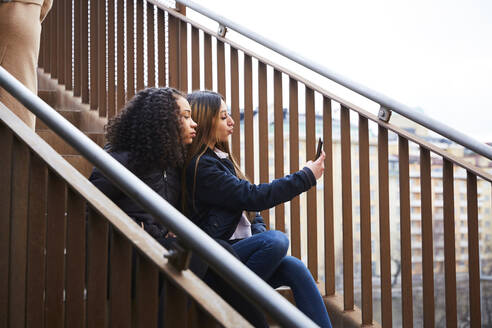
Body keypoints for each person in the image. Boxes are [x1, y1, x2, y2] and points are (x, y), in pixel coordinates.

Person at [89, 87, 268, 328]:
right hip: (124, 254)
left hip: (158, 250)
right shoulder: (122, 157)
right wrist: (140, 228)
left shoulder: (172, 163)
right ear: (161, 119)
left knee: (220, 252)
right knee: (201, 250)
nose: (193, 123)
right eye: (185, 116)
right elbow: (91, 205)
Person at [185, 90, 332, 328]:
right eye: (223, 117)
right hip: (218, 260)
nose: (231, 121)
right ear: (205, 121)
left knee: (293, 265)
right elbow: (252, 197)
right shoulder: (201, 166)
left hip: (239, 256)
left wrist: (260, 230)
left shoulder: (221, 160)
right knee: (275, 241)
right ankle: (232, 295)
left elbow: (250, 213)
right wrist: (306, 176)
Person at [0, 0, 52, 129]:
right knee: (21, 87)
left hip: (9, 10)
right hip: (30, 16)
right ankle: (21, 142)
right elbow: (47, 4)